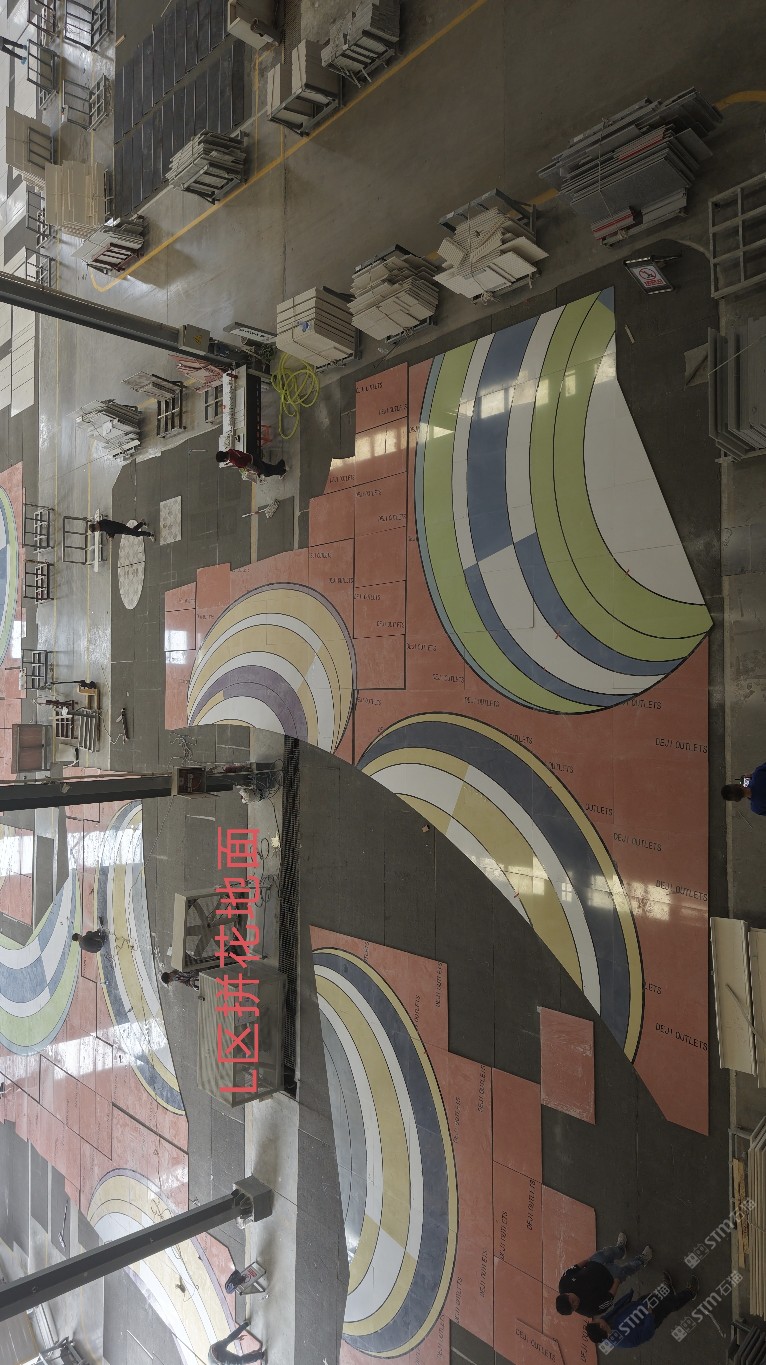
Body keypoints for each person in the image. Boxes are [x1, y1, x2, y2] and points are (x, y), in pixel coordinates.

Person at [586, 1271, 698, 1349]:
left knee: (655, 1296)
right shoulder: (625, 1341)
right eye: (596, 1321)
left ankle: (667, 1289)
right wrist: (650, 1316)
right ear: (602, 1327)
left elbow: (616, 1310)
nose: (598, 1318)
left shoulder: (605, 1323)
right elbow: (647, 1333)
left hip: (640, 1304)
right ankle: (690, 1293)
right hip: (652, 1314)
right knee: (670, 1304)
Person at [556, 1234, 651, 1317]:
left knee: (610, 1251)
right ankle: (642, 1260)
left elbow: (573, 1269)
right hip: (611, 1277)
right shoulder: (589, 1310)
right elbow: (608, 1300)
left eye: (572, 1301)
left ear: (566, 1293)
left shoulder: (563, 1284)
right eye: (573, 1308)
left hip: (595, 1263)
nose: (576, 1304)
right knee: (628, 1269)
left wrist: (588, 1260)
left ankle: (621, 1249)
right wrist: (617, 1282)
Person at [216, 448, 286, 479]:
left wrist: (257, 471)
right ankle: (281, 471)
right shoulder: (230, 450)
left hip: (254, 463)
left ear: (224, 459)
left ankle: (281, 464)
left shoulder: (235, 461)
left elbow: (248, 465)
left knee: (266, 473)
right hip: (252, 456)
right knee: (267, 467)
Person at [88, 516, 155, 540]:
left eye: (96, 530)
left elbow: (112, 528)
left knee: (136, 534)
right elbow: (109, 530)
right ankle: (142, 523)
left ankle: (150, 534)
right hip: (121, 530)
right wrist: (110, 535)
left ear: (95, 526)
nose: (97, 531)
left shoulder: (103, 523)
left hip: (121, 528)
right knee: (134, 531)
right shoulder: (101, 526)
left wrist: (111, 535)